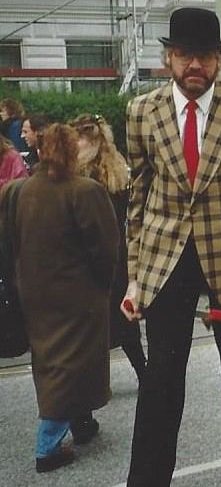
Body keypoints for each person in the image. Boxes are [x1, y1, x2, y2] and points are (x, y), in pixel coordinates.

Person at [120, 7, 221, 487]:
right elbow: (139, 196)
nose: (196, 65)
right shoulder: (140, 112)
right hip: (164, 259)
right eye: (185, 54)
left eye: (206, 56)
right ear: (169, 57)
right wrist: (135, 275)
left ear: (218, 60)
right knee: (161, 381)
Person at [0, 123, 119, 472]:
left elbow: (7, 243)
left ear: (38, 150)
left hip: (35, 292)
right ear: (72, 152)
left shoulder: (17, 192)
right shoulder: (86, 191)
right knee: (73, 362)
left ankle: (81, 421)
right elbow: (106, 248)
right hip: (78, 293)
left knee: (53, 361)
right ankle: (47, 446)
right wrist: (105, 285)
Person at [70, 113, 146, 382]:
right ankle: (144, 373)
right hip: (117, 253)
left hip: (90, 255)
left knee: (91, 324)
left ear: (87, 138)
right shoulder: (117, 165)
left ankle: (92, 388)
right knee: (122, 321)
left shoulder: (82, 173)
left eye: (77, 138)